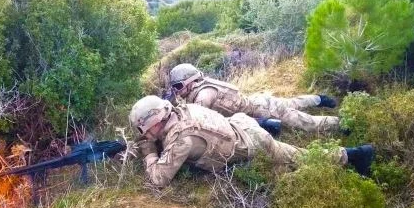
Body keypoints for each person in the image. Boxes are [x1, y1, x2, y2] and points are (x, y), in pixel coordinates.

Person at [129, 95, 374, 187]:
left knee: (298, 158)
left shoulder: (182, 139)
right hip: (241, 124)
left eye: (146, 130)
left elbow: (159, 178)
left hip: (251, 142)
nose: (145, 134)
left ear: (158, 121)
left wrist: (149, 152)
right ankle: (271, 126)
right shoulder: (184, 109)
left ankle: (355, 154)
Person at [168, 63, 339, 134]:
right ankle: (318, 99)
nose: (177, 91)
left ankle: (342, 124)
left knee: (307, 123)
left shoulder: (203, 96)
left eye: (178, 86)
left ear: (190, 82)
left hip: (264, 109)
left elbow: (201, 122)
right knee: (292, 102)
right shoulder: (202, 87)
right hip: (258, 102)